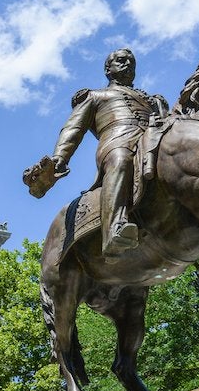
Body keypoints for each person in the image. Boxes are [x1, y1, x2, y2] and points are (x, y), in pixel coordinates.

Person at [49, 48, 167, 256]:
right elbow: (74, 128)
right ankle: (115, 228)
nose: (128, 64)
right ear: (107, 69)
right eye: (121, 60)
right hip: (118, 142)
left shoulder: (152, 100)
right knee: (121, 160)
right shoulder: (95, 96)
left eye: (132, 62)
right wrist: (60, 158)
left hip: (152, 140)